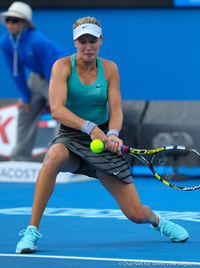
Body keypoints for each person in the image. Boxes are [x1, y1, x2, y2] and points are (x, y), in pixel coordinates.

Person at [15, 16, 189, 254]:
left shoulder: (110, 69)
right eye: (82, 41)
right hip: (71, 137)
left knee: (136, 215)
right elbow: (57, 109)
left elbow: (116, 110)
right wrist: (91, 128)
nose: (88, 46)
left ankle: (157, 220)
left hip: (104, 140)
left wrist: (114, 134)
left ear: (101, 40)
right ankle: (32, 231)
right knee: (53, 156)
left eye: (93, 40)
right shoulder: (62, 66)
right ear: (75, 42)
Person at [0, 1, 69, 161]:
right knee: (25, 109)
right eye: (8, 20)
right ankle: (19, 159)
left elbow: (50, 69)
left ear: (25, 23)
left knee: (60, 112)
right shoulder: (5, 43)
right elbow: (15, 72)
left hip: (58, 74)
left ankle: (57, 158)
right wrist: (25, 97)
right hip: (38, 77)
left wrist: (55, 99)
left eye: (15, 20)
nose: (10, 24)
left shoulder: (37, 41)